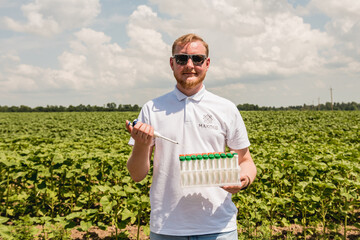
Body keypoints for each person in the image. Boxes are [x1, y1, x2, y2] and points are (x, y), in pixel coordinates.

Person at [126, 33, 257, 239]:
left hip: (219, 226)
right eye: (182, 58)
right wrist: (142, 146)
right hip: (167, 228)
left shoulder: (226, 108)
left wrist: (243, 179)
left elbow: (246, 160)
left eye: (197, 59)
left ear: (207, 63)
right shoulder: (152, 108)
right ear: (172, 63)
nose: (189, 65)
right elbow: (136, 175)